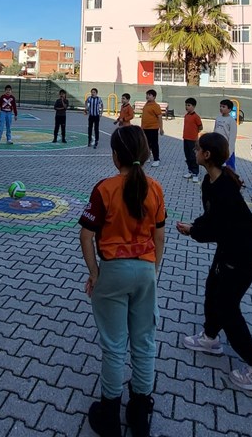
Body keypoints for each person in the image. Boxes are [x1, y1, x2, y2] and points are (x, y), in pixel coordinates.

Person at [79, 126, 166, 437]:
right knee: (144, 342)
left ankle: (110, 417)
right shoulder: (155, 188)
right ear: (145, 153)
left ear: (115, 156)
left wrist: (94, 273)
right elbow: (159, 235)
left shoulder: (105, 188)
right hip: (145, 269)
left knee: (114, 345)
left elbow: (86, 236)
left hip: (113, 271)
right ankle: (140, 413)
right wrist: (153, 271)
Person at [176, 132, 252, 392]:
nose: (195, 151)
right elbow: (211, 218)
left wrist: (193, 232)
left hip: (242, 252)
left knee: (227, 308)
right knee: (212, 288)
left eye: (197, 149)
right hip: (228, 249)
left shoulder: (225, 189)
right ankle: (210, 337)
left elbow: (219, 228)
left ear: (207, 155)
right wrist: (195, 225)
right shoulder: (210, 182)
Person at [140, 90, 164, 167]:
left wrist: (161, 128)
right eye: (147, 94)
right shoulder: (146, 104)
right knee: (146, 143)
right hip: (145, 128)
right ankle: (147, 156)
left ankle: (156, 159)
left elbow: (160, 117)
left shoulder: (156, 106)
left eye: (149, 95)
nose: (147, 96)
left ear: (154, 97)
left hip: (153, 128)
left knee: (154, 144)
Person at [182, 98, 203, 182]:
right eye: (186, 105)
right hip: (185, 139)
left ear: (193, 106)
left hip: (193, 140)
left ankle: (195, 173)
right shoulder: (186, 116)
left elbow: (200, 127)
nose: (186, 107)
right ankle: (190, 171)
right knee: (187, 156)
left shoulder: (196, 117)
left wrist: (195, 134)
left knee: (193, 156)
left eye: (189, 105)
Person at [213, 99, 237, 171]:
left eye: (223, 107)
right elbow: (215, 130)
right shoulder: (218, 118)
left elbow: (232, 137)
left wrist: (229, 151)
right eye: (220, 106)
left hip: (226, 148)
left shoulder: (231, 121)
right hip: (217, 147)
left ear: (229, 109)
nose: (221, 108)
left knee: (229, 168)